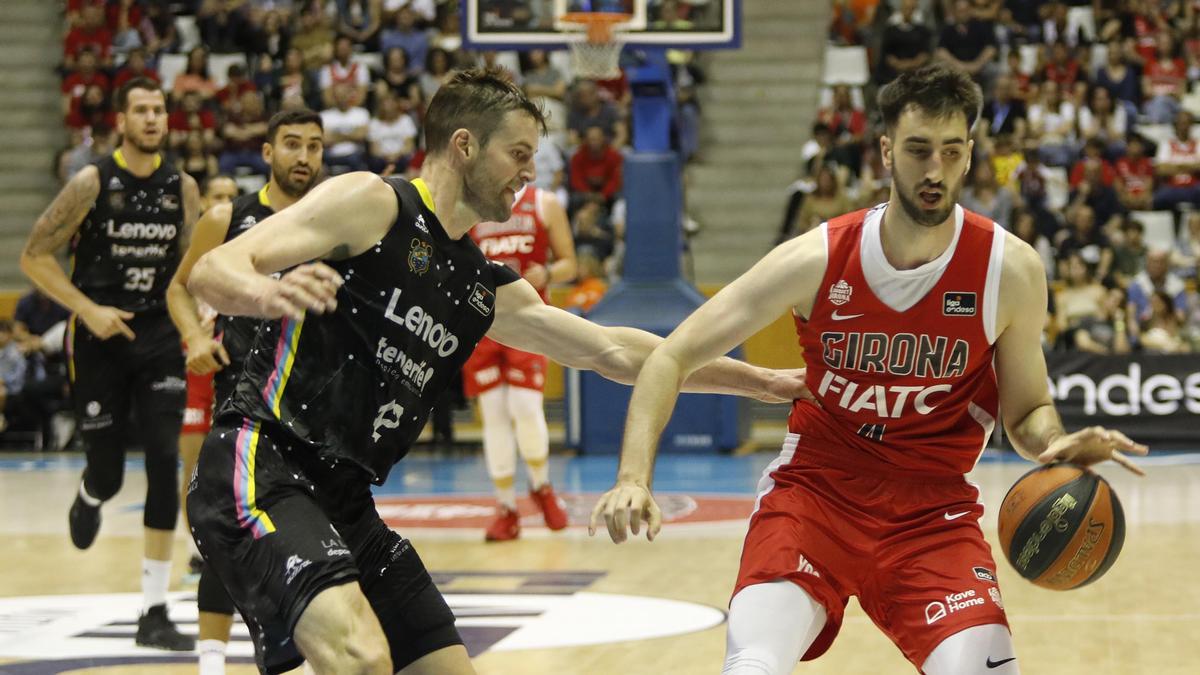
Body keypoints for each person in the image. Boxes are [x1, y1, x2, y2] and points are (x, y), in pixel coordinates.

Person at [184, 67, 807, 675]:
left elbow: (613, 352)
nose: (528, 172)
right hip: (262, 462)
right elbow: (214, 270)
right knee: (360, 659)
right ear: (464, 146)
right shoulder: (372, 203)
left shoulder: (480, 286)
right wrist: (268, 296)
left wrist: (762, 382)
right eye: (517, 153)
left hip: (347, 498)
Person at [589, 63, 1148, 675]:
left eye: (951, 152)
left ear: (969, 156)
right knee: (753, 665)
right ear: (885, 151)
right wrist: (633, 476)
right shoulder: (816, 258)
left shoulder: (1009, 270)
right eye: (917, 150)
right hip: (815, 495)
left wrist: (1058, 443)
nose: (934, 170)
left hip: (932, 513)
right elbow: (672, 354)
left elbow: (1026, 411)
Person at [18, 77, 200, 650]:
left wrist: (196, 327)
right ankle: (91, 494)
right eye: (141, 110)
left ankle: (154, 610)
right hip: (98, 337)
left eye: (159, 110)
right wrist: (87, 309)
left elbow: (187, 271)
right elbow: (33, 255)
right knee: (108, 468)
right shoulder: (92, 181)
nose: (152, 118)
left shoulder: (183, 188)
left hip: (158, 335)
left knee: (165, 459)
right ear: (121, 120)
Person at [168, 109, 326, 675]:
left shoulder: (332, 221)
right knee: (225, 534)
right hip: (240, 402)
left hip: (312, 409)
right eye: (291, 144)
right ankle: (211, 666)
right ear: (266, 152)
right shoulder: (227, 218)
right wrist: (193, 336)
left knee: (311, 544)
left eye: (313, 145)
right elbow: (180, 290)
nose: (303, 156)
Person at [463, 184, 577, 542]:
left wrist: (549, 274)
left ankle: (541, 485)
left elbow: (570, 263)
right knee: (493, 415)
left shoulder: (545, 202)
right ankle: (506, 507)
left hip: (528, 321)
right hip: (482, 322)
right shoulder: (473, 202)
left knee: (525, 408)